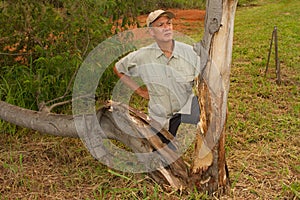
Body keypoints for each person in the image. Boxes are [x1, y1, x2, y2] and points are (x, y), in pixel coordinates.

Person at [113, 10, 202, 142]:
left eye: (169, 23)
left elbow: (204, 79)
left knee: (213, 122)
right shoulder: (143, 56)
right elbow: (118, 68)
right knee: (163, 156)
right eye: (160, 25)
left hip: (186, 108)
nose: (166, 27)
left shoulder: (190, 52)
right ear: (151, 32)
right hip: (161, 116)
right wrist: (139, 91)